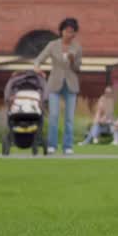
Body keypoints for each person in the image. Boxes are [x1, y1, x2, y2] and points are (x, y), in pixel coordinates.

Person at [33, 17, 82, 155]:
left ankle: (67, 146)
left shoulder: (77, 47)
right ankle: (52, 145)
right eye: (66, 31)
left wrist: (73, 62)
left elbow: (78, 68)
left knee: (69, 118)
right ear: (61, 31)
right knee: (54, 115)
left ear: (74, 33)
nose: (69, 34)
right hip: (54, 83)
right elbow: (39, 59)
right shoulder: (52, 45)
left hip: (71, 84)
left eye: (72, 32)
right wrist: (37, 67)